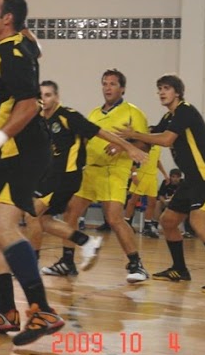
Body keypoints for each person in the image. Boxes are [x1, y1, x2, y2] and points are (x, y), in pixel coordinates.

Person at [0, 0, 64, 346]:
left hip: (24, 150)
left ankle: (42, 309)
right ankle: (7, 310)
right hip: (14, 153)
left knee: (3, 227)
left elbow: (28, 105)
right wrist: (27, 35)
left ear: (6, 19)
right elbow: (37, 46)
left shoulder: (11, 53)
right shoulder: (15, 46)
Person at [116, 74, 205, 294]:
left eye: (166, 88)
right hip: (191, 181)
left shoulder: (185, 110)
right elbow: (148, 142)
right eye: (159, 89)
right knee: (168, 220)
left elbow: (165, 140)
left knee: (199, 224)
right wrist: (122, 144)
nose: (162, 93)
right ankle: (180, 269)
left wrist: (134, 134)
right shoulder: (169, 117)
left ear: (177, 92)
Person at [26, 81, 147, 277]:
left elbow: (101, 133)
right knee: (51, 218)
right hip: (78, 173)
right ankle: (73, 255)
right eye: (41, 95)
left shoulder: (68, 115)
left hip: (82, 174)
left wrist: (129, 147)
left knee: (114, 218)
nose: (44, 99)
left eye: (48, 95)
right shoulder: (43, 119)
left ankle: (135, 263)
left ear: (57, 96)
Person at [123, 138, 167, 238]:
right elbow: (133, 159)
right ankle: (127, 223)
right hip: (141, 174)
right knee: (133, 201)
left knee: (152, 202)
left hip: (152, 176)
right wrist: (133, 174)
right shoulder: (142, 145)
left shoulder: (158, 146)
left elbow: (157, 161)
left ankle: (147, 225)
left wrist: (165, 174)